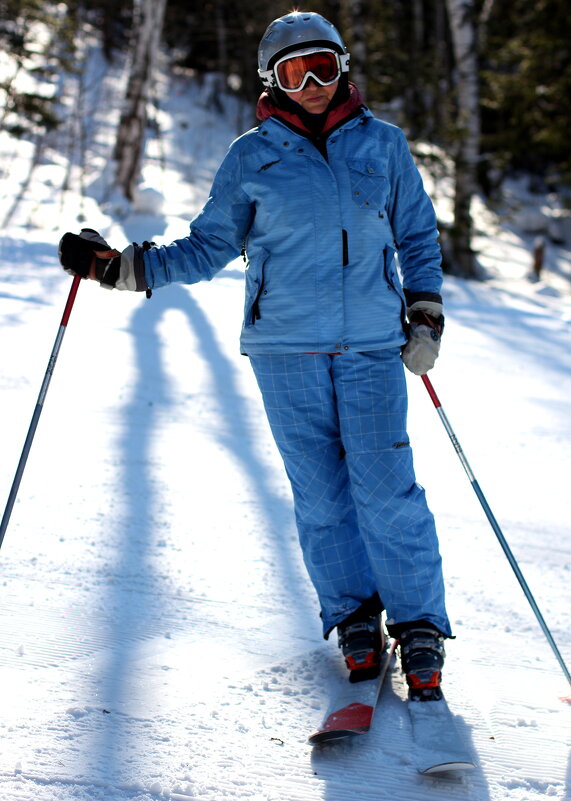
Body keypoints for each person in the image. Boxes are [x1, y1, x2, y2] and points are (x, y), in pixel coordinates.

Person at [59, 11, 451, 700]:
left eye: (324, 67)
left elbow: (415, 234)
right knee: (321, 495)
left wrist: (423, 313)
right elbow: (209, 246)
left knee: (386, 490)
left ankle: (417, 622)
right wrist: (123, 267)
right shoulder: (251, 156)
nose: (313, 84)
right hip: (284, 348)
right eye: (296, 71)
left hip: (369, 346)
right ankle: (353, 613)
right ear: (272, 78)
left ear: (343, 69)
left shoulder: (382, 147)